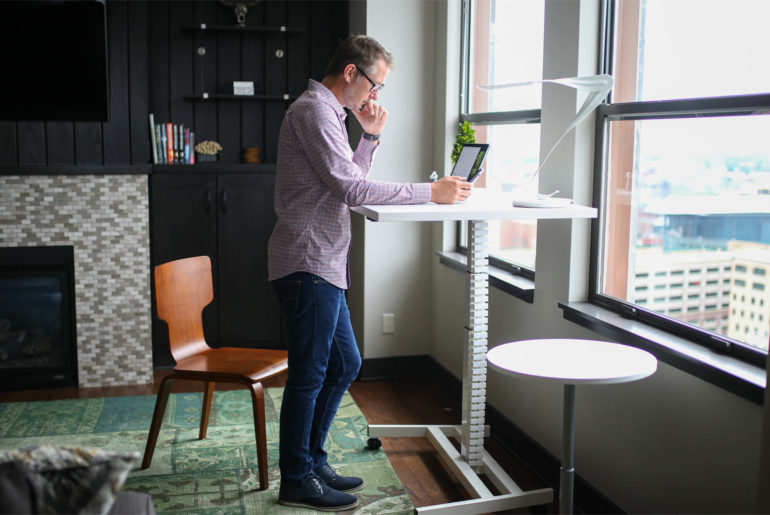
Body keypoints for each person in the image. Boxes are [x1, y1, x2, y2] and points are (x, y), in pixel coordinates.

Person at [268, 34, 471, 512]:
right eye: (375, 85)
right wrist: (431, 191)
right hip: (308, 262)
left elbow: (345, 184)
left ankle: (312, 461)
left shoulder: (328, 115)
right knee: (309, 374)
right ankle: (296, 478)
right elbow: (353, 191)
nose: (375, 97)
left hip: (322, 263)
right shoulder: (314, 112)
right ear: (351, 73)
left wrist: (371, 138)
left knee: (345, 364)